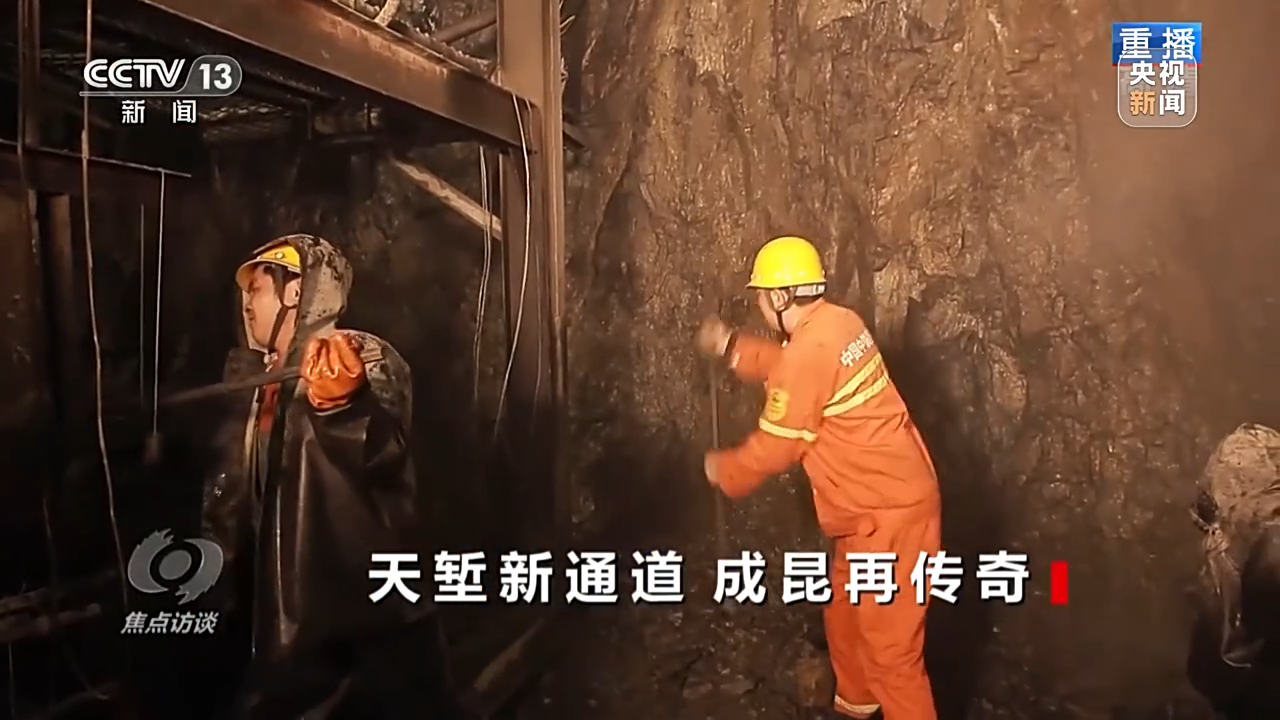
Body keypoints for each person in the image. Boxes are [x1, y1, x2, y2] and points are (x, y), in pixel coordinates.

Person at [200, 234, 462, 719]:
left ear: (295, 291)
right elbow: (232, 491)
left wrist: (347, 406)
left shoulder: (358, 355)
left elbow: (385, 452)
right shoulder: (253, 381)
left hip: (349, 624)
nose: (246, 303)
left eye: (257, 289)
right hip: (272, 615)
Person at [696, 236, 941, 720]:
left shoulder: (812, 349)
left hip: (893, 520)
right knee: (846, 617)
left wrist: (724, 470)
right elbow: (791, 368)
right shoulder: (838, 323)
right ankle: (856, 709)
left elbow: (778, 445)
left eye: (761, 296)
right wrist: (731, 347)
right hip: (868, 513)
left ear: (781, 297)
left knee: (893, 658)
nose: (759, 304)